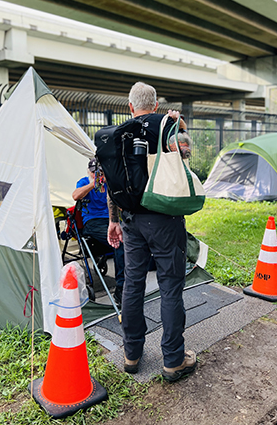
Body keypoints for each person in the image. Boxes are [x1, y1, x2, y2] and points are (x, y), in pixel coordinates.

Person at [107, 81, 197, 382]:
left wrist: (113, 220)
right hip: (164, 219)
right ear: (155, 105)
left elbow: (112, 180)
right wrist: (176, 119)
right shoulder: (165, 125)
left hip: (131, 219)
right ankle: (173, 360)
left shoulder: (120, 132)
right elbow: (183, 155)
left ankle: (131, 353)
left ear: (130, 106)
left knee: (133, 283)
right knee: (170, 285)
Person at [72, 158, 125, 306]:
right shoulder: (84, 181)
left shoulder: (109, 182)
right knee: (121, 242)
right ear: (89, 172)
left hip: (110, 220)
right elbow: (76, 196)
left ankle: (130, 281)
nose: (97, 175)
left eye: (99, 173)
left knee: (131, 237)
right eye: (94, 173)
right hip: (92, 222)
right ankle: (121, 288)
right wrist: (93, 184)